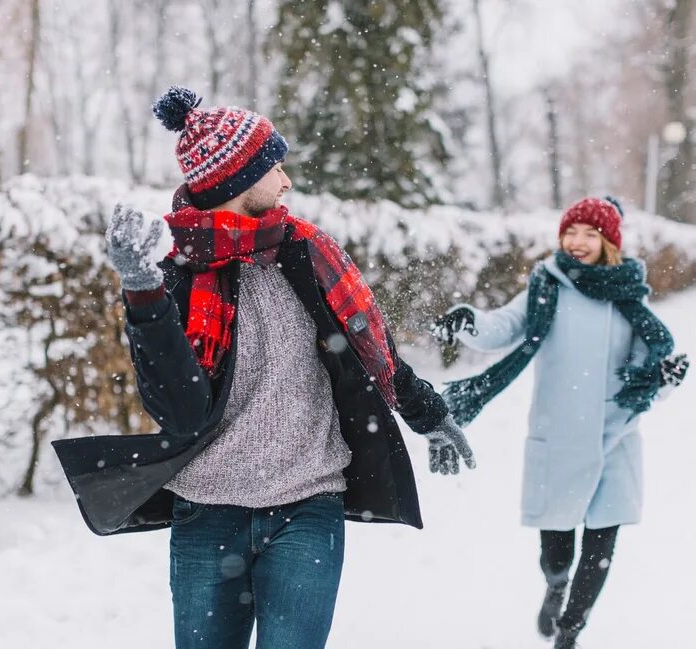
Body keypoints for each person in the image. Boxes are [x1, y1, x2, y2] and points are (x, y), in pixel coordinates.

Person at [52, 85, 476, 649]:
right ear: (237, 180)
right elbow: (180, 412)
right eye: (275, 167)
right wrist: (143, 292)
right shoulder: (174, 275)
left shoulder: (305, 253)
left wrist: (428, 414)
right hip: (207, 513)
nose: (287, 182)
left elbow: (373, 352)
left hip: (309, 507)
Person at [431, 197, 689, 649]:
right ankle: (555, 585)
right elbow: (503, 326)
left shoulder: (628, 300)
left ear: (610, 243)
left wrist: (665, 381)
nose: (578, 242)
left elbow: (650, 376)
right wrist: (470, 322)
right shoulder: (546, 285)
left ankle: (570, 631)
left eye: (592, 234)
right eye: (572, 232)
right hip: (560, 437)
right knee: (557, 553)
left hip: (617, 436)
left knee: (602, 549)